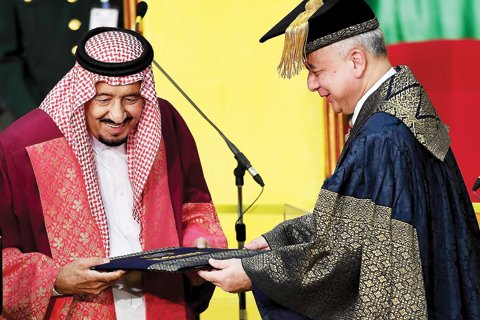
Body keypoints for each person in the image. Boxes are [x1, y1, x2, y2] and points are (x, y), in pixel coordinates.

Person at [198, 0, 480, 319]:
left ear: (356, 61)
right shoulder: (404, 108)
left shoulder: (380, 136)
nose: (311, 84)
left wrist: (257, 274)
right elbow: (363, 223)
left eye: (315, 71)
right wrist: (280, 239)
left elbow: (342, 260)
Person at [0, 27, 227, 320]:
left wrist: (200, 249)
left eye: (131, 99)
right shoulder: (21, 147)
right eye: (103, 99)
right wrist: (56, 279)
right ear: (79, 92)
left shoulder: (164, 124)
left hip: (163, 307)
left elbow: (194, 209)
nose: (118, 116)